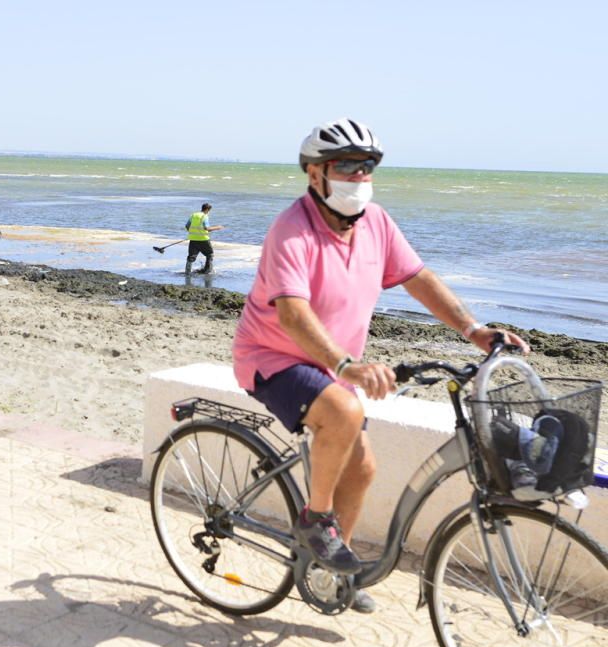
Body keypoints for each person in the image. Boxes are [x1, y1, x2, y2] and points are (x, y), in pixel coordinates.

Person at [231, 118, 529, 613]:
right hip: (274, 357)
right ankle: (315, 519)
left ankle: (329, 575)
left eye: (367, 166)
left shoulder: (376, 224)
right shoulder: (292, 229)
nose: (359, 176)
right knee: (343, 414)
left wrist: (474, 331)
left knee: (363, 468)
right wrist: (346, 365)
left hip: (330, 367)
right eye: (346, 165)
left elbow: (417, 278)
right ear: (314, 174)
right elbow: (292, 311)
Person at [185, 203, 224, 275]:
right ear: (207, 209)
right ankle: (208, 271)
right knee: (210, 254)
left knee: (191, 256)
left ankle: (187, 272)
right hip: (203, 239)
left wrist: (192, 233)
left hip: (193, 239)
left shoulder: (194, 215)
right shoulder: (204, 216)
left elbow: (187, 226)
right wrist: (218, 227)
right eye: (209, 211)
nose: (209, 212)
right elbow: (207, 228)